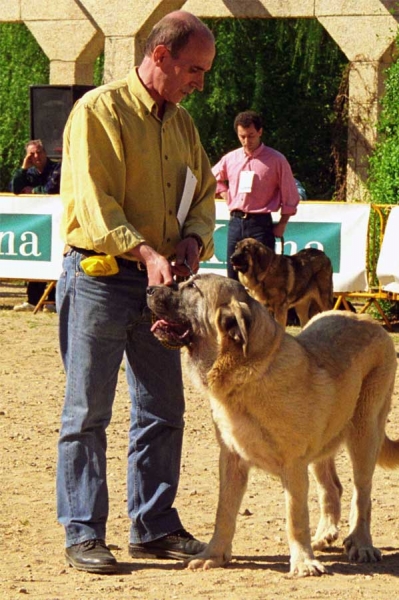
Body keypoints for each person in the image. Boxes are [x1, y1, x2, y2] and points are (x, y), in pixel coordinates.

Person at [56, 10, 216, 574]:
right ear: (160, 56)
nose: (200, 81)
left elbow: (204, 194)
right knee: (87, 412)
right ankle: (83, 533)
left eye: (204, 71)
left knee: (162, 409)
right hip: (101, 279)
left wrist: (193, 241)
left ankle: (153, 526)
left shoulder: (183, 125)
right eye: (193, 69)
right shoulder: (97, 111)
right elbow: (95, 207)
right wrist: (147, 253)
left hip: (162, 285)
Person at [212, 110, 300, 279]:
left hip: (260, 224)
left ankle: (262, 307)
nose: (246, 141)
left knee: (264, 277)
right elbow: (211, 178)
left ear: (260, 132)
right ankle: (236, 306)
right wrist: (224, 193)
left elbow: (290, 195)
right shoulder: (231, 158)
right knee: (233, 275)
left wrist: (282, 223)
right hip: (236, 222)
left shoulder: (276, 160)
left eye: (251, 136)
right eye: (242, 136)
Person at [10, 139, 60, 311]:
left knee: (55, 260)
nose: (36, 156)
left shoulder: (57, 168)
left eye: (39, 152)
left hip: (56, 223)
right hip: (37, 225)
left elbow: (51, 189)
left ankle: (51, 301)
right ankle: (33, 301)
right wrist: (24, 167)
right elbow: (15, 188)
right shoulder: (29, 172)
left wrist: (33, 191)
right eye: (32, 154)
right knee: (37, 259)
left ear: (45, 152)